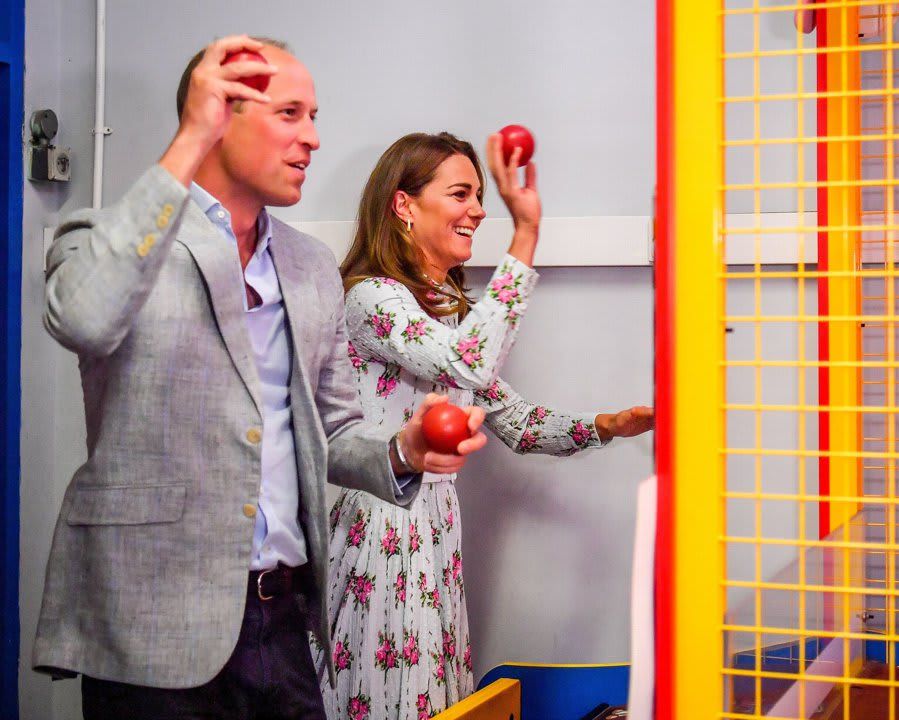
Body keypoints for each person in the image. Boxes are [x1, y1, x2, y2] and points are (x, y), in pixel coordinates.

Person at [32, 36, 487, 719]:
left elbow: (334, 431)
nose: (313, 138)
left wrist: (405, 450)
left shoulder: (308, 267)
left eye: (314, 116)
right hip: (150, 628)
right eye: (290, 114)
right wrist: (189, 142)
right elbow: (85, 320)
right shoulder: (104, 238)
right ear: (220, 116)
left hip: (283, 623)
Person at [317, 131, 653, 719]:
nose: (478, 210)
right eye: (461, 194)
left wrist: (610, 425)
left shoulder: (445, 318)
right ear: (404, 205)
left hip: (434, 533)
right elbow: (468, 362)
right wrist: (525, 236)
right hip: (381, 528)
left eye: (480, 195)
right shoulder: (371, 299)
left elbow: (518, 423)